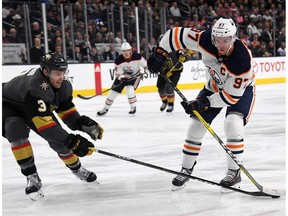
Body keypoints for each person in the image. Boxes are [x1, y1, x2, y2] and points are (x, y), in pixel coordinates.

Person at [147, 18, 255, 191]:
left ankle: (234, 173)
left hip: (240, 92)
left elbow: (230, 97)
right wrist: (161, 52)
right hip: (213, 87)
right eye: (217, 39)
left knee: (233, 124)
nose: (221, 44)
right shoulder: (204, 39)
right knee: (195, 126)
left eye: (226, 40)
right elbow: (174, 34)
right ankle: (186, 169)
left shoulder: (241, 62)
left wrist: (203, 103)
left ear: (233, 38)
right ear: (212, 37)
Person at [2, 52, 104, 200]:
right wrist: (72, 141)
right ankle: (31, 176)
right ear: (45, 72)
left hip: (31, 105)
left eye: (64, 72)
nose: (61, 77)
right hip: (9, 105)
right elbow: (47, 129)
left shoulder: (64, 85)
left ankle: (77, 169)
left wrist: (82, 123)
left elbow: (66, 111)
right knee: (16, 129)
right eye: (57, 73)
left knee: (59, 142)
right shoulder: (35, 87)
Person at [97, 42, 147, 116]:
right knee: (112, 93)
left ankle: (133, 107)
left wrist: (144, 71)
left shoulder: (138, 57)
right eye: (123, 51)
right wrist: (122, 77)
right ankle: (105, 108)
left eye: (127, 50)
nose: (126, 52)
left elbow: (145, 66)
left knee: (130, 90)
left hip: (134, 76)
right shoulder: (118, 60)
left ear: (130, 50)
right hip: (123, 77)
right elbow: (118, 74)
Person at [156, 48, 193, 113]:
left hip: (176, 71)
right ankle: (164, 102)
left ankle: (171, 104)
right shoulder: (158, 51)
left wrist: (185, 58)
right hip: (163, 71)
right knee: (160, 88)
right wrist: (164, 70)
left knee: (169, 87)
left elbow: (186, 55)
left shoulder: (175, 49)